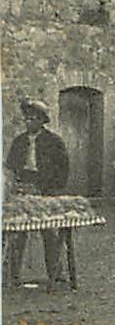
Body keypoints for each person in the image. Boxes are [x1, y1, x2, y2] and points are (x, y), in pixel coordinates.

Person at [5, 98, 71, 287]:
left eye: (33, 119)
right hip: (24, 189)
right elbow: (11, 167)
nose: (29, 122)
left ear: (42, 120)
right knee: (16, 231)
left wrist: (51, 191)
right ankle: (11, 274)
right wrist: (16, 186)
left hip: (46, 190)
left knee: (50, 231)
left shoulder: (54, 142)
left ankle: (55, 272)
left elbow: (63, 169)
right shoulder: (19, 142)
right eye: (26, 119)